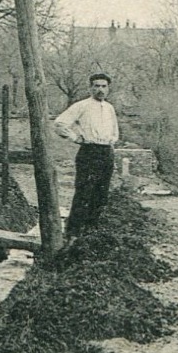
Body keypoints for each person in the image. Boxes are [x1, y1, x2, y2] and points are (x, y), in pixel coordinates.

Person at [53, 72, 120, 240]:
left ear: (108, 89)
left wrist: (111, 141)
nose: (100, 90)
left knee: (101, 193)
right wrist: (76, 138)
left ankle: (91, 232)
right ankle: (73, 232)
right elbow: (60, 123)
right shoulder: (82, 105)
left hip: (106, 152)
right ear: (90, 88)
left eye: (103, 86)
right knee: (84, 192)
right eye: (96, 86)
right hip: (89, 151)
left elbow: (115, 131)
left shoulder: (110, 108)